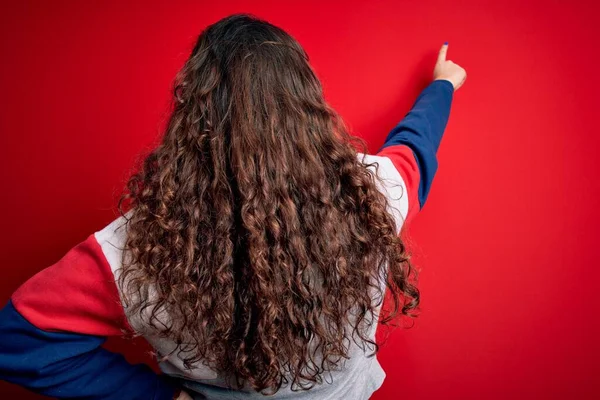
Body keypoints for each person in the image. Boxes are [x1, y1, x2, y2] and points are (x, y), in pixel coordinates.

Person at [0, 13, 466, 400]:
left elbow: (16, 339)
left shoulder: (137, 249)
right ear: (306, 107)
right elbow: (415, 149)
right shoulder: (373, 193)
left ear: (192, 116)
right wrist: (442, 86)